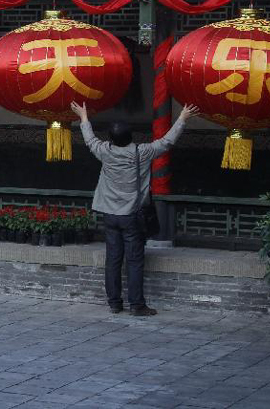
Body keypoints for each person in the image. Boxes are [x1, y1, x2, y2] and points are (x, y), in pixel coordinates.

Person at [70, 101, 199, 316]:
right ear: (132, 137)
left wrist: (84, 117)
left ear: (111, 139)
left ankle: (114, 303)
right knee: (135, 260)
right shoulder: (143, 152)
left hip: (109, 215)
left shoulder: (104, 151)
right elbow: (167, 142)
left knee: (112, 259)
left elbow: (90, 140)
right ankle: (137, 305)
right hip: (131, 216)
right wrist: (182, 118)